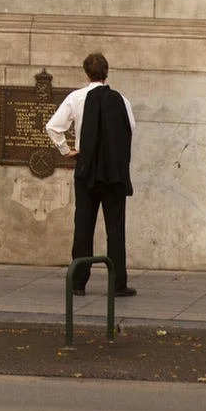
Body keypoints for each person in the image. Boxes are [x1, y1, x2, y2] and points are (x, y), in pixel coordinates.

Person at [45, 52, 137, 297]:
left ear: (86, 72)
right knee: (115, 228)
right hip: (114, 173)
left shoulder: (76, 98)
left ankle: (78, 283)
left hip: (86, 171)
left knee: (83, 225)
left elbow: (53, 126)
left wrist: (67, 150)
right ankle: (118, 284)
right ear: (107, 72)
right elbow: (131, 128)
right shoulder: (122, 100)